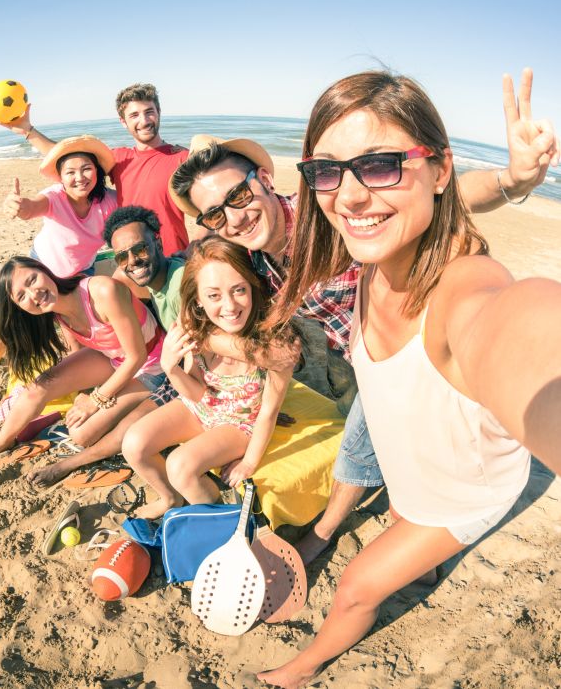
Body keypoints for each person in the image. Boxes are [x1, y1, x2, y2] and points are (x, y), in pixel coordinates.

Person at [167, 68, 557, 563]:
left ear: (264, 179)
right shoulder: (249, 256)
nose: (236, 217)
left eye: (239, 197)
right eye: (217, 214)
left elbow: (438, 196)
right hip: (347, 352)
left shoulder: (326, 209)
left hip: (401, 345)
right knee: (388, 445)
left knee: (362, 444)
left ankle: (326, 532)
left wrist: (510, 179)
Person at [256, 70, 561, 689]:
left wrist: (516, 181)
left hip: (464, 494)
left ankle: (301, 668)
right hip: (415, 468)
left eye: (381, 164)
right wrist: (511, 180)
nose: (349, 196)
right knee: (399, 514)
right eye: (327, 171)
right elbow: (443, 199)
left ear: (439, 169)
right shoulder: (367, 255)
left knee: (355, 589)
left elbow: (521, 332)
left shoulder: (464, 290)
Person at [0, 256, 166, 463]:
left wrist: (94, 400)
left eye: (32, 280)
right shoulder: (50, 310)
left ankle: (138, 407)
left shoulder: (101, 291)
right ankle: (1, 441)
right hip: (111, 357)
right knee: (39, 387)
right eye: (21, 295)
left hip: (151, 362)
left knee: (82, 434)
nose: (34, 294)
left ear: (44, 271)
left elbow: (136, 356)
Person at [0, 136, 119, 424]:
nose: (79, 177)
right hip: (39, 275)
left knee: (77, 339)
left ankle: (79, 389)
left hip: (78, 277)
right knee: (6, 334)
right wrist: (19, 206)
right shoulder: (56, 197)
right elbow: (34, 206)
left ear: (97, 170)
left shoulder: (108, 201)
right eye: (70, 172)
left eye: (86, 169)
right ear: (61, 178)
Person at [121, 235, 300, 519]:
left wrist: (249, 462)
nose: (229, 306)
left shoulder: (276, 340)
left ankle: (217, 516)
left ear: (253, 286)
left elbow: (269, 411)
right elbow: (197, 393)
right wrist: (172, 368)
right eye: (214, 295)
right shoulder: (194, 324)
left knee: (180, 466)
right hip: (202, 408)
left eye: (239, 290)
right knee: (134, 443)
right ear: (199, 300)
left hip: (241, 424)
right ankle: (170, 498)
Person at [26, 205, 185, 487]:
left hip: (174, 372)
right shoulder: (148, 280)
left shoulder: (180, 285)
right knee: (84, 433)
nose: (132, 260)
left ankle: (70, 464)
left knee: (128, 427)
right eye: (122, 255)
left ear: (157, 242)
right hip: (154, 364)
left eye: (140, 249)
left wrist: (96, 400)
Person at [0, 83, 193, 254]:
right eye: (134, 115)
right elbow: (67, 154)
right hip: (131, 258)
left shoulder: (181, 158)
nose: (144, 120)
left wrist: (196, 245)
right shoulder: (119, 158)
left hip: (173, 257)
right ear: (123, 121)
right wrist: (28, 130)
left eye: (149, 111)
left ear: (158, 112)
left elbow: (207, 204)